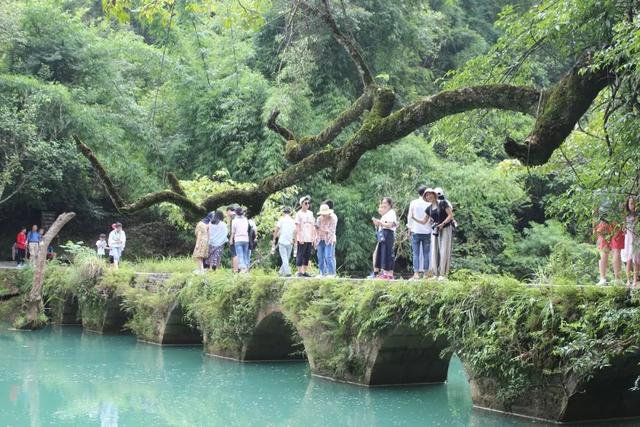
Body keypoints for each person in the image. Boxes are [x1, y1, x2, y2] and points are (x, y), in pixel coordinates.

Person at [413, 188, 454, 280]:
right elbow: (424, 221)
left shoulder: (443, 203)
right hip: (436, 230)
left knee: (443, 250)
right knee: (435, 251)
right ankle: (436, 274)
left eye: (430, 194)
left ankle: (443, 274)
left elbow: (450, 215)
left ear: (434, 194)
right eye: (426, 195)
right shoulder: (429, 209)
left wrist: (443, 224)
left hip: (446, 228)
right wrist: (413, 218)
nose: (429, 196)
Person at [594, 201, 624, 286]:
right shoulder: (617, 190)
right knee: (615, 251)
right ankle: (617, 279)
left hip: (603, 222)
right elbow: (622, 207)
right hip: (616, 222)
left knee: (605, 251)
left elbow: (595, 209)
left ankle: (603, 279)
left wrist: (594, 226)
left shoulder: (598, 191)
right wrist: (624, 223)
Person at [407, 185, 432, 279]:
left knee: (416, 253)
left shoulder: (414, 203)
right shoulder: (430, 204)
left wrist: (409, 227)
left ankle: (416, 273)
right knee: (426, 253)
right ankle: (425, 273)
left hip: (415, 230)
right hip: (427, 231)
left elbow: (410, 216)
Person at [372, 197, 397, 280]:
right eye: (382, 202)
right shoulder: (386, 214)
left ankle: (387, 273)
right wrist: (378, 223)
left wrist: (380, 223)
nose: (383, 204)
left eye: (385, 203)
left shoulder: (391, 213)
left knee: (387, 253)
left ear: (389, 205)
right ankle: (384, 273)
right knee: (382, 253)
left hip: (388, 233)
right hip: (383, 233)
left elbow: (390, 225)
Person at [295, 195, 316, 277]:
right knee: (300, 254)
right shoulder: (298, 214)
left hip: (309, 237)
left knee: (307, 255)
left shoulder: (310, 213)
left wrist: (313, 237)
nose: (307, 205)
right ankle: (299, 271)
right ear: (301, 204)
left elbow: (313, 225)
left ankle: (305, 271)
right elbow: (297, 226)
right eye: (305, 203)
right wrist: (299, 237)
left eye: (308, 203)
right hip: (302, 237)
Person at [273, 207, 296, 277]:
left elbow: (276, 229)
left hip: (282, 241)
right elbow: (295, 231)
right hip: (290, 242)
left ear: (283, 213)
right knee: (286, 258)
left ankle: (288, 272)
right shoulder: (293, 221)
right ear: (290, 213)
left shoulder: (281, 220)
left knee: (284, 258)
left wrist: (274, 238)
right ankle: (280, 272)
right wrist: (293, 239)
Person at [316, 203, 337, 277]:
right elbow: (317, 230)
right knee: (320, 257)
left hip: (329, 240)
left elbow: (331, 232)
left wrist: (321, 230)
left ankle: (331, 273)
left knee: (328, 256)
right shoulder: (319, 219)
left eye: (325, 214)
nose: (323, 215)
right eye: (322, 214)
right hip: (320, 239)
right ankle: (322, 273)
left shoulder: (332, 219)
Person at [624, 196, 639, 287]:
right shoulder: (625, 216)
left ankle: (635, 280)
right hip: (629, 240)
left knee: (636, 260)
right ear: (628, 205)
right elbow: (624, 228)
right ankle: (628, 280)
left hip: (637, 240)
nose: (633, 205)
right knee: (629, 260)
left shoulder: (638, 215)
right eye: (631, 203)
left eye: (634, 203)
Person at [231, 207, 251, 273]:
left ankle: (243, 269)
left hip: (238, 239)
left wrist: (231, 239)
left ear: (236, 213)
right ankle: (247, 270)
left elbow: (233, 232)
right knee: (245, 255)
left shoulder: (234, 221)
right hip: (246, 239)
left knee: (240, 255)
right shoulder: (245, 219)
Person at [322, 199, 338, 274]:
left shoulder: (332, 216)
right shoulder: (331, 216)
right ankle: (330, 272)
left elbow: (331, 230)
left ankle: (332, 273)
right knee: (330, 256)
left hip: (330, 238)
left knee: (329, 257)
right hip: (327, 238)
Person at [226, 205, 239, 272]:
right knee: (235, 254)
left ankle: (235, 270)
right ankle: (235, 268)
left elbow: (232, 230)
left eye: (227, 212)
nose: (226, 214)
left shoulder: (233, 218)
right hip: (239, 238)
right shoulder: (238, 216)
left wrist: (231, 239)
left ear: (229, 211)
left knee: (234, 254)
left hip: (233, 238)